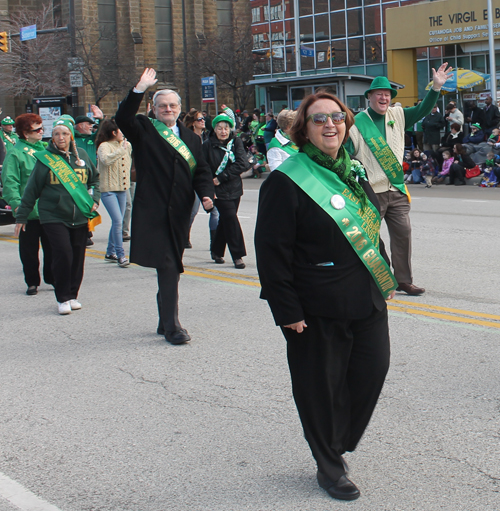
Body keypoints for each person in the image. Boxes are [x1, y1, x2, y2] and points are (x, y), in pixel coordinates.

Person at [255, 91, 397, 502]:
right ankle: (329, 464)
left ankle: (337, 439)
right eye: (320, 120)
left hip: (367, 297)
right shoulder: (287, 180)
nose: (330, 124)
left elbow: (371, 229)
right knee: (320, 385)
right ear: (305, 128)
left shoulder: (353, 170)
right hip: (316, 306)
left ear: (346, 123)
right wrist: (287, 310)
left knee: (373, 371)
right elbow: (272, 252)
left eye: (337, 117)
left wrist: (383, 277)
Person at [115, 68, 214, 345]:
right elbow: (122, 118)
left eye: (172, 105)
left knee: (168, 266)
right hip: (154, 212)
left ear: (180, 109)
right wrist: (139, 88)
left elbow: (202, 171)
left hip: (180, 213)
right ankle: (173, 327)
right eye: (162, 106)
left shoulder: (192, 138)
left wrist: (206, 195)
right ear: (153, 109)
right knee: (169, 266)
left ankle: (163, 320)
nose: (167, 109)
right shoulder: (143, 129)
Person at [345, 63, 452, 295]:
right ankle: (373, 278)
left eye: (387, 94)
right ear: (370, 97)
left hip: (396, 190)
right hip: (371, 191)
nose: (383, 98)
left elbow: (424, 109)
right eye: (379, 94)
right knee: (369, 238)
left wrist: (435, 88)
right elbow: (344, 155)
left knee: (403, 235)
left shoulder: (398, 114)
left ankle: (403, 280)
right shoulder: (355, 124)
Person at [13, 116, 100, 315]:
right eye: (56, 134)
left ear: (71, 136)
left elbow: (95, 179)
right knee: (63, 253)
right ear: (51, 137)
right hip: (53, 215)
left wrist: (96, 198)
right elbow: (31, 190)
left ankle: (72, 295)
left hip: (79, 215)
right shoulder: (45, 159)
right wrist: (22, 217)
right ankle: (62, 298)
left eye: (65, 133)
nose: (60, 137)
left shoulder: (83, 157)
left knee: (78, 256)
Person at [1, 114, 53, 295]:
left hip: (49, 209)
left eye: (42, 129)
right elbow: (10, 182)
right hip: (29, 211)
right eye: (36, 130)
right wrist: (17, 206)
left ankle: (51, 277)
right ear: (25, 133)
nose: (41, 132)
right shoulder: (16, 153)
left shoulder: (47, 150)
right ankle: (32, 281)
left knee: (53, 247)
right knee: (29, 250)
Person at [203, 108, 247, 269]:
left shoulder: (236, 142)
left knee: (225, 220)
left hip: (234, 188)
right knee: (231, 219)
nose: (223, 131)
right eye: (220, 128)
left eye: (226, 128)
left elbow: (243, 163)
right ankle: (238, 255)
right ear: (214, 129)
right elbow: (204, 168)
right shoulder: (207, 146)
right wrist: (210, 186)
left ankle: (216, 250)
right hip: (218, 192)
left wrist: (221, 178)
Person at [96, 119, 132, 267]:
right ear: (114, 132)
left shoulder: (127, 145)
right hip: (108, 189)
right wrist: (120, 151)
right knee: (117, 221)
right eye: (120, 131)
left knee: (119, 220)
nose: (123, 134)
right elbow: (105, 160)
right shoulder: (104, 146)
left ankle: (110, 252)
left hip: (122, 189)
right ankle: (120, 254)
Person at [183, 108, 219, 250]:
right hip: (192, 180)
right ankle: (184, 235)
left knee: (214, 211)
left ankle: (214, 243)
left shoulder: (207, 137)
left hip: (206, 178)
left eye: (203, 118)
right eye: (199, 119)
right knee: (192, 211)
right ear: (193, 123)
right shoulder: (188, 138)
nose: (203, 121)